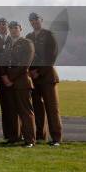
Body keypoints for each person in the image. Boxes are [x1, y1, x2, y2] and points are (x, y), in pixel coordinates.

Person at [26, 12, 62, 146]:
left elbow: (52, 56)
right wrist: (30, 71)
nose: (34, 22)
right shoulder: (28, 37)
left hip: (47, 77)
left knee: (52, 109)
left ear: (41, 20)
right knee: (37, 109)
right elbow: (26, 56)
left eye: (36, 20)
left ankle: (56, 138)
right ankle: (41, 136)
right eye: (31, 20)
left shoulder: (48, 34)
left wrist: (39, 72)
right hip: (34, 79)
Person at [1, 21, 36, 147]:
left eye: (16, 27)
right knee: (12, 111)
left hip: (22, 82)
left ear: (20, 28)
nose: (13, 30)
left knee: (25, 112)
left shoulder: (27, 43)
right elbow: (3, 61)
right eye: (11, 28)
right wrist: (4, 76)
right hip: (9, 82)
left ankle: (30, 140)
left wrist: (11, 78)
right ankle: (14, 137)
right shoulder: (8, 44)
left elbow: (25, 64)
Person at [0, 17, 20, 143]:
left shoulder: (12, 39)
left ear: (7, 26)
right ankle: (7, 134)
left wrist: (11, 77)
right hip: (0, 79)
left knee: (16, 107)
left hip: (14, 78)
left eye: (4, 24)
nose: (2, 26)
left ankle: (17, 134)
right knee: (5, 108)